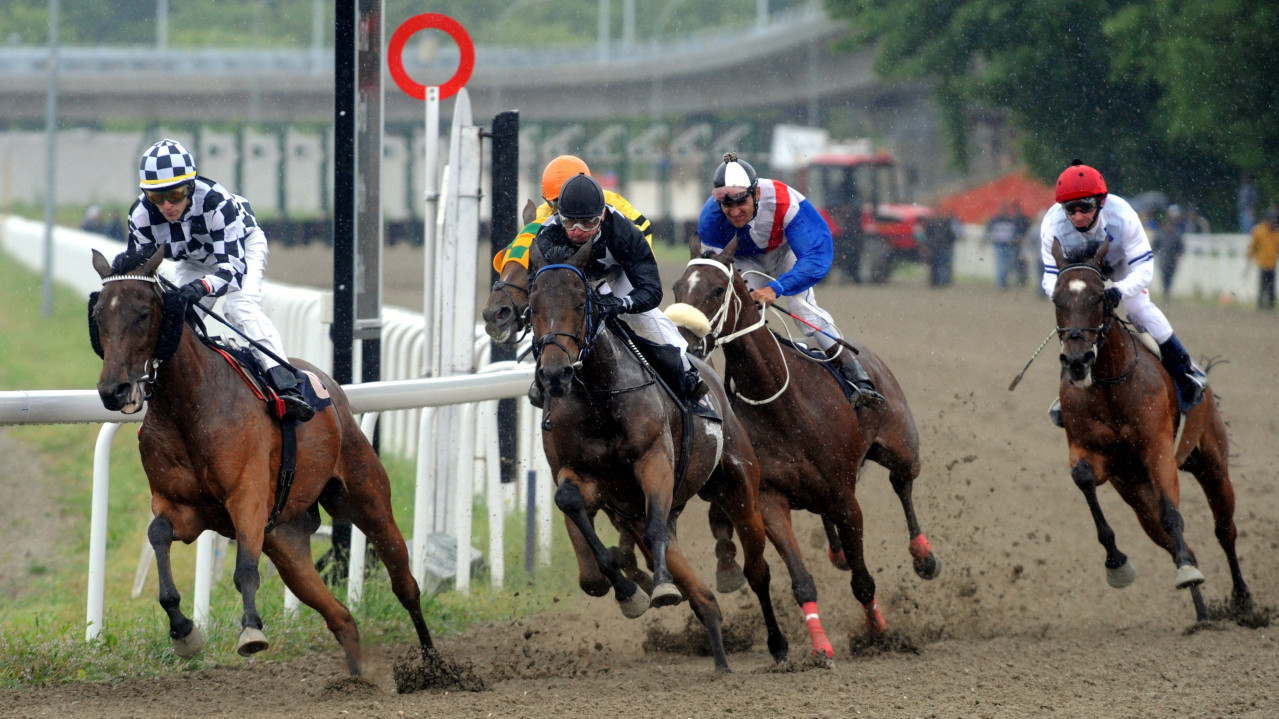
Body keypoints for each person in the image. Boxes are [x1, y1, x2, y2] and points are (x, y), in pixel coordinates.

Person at [125, 138, 315, 422]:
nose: (166, 206)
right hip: (195, 259)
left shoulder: (217, 202)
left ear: (190, 186)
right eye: (156, 197)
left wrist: (199, 287)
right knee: (180, 318)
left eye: (175, 194)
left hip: (241, 249)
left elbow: (231, 270)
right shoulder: (140, 216)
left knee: (239, 308)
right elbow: (136, 271)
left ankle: (287, 385)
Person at [695, 152, 886, 409]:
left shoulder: (785, 201)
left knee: (801, 308)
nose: (735, 212)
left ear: (757, 194)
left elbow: (817, 257)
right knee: (740, 312)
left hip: (787, 251)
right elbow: (713, 271)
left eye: (742, 203)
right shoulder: (710, 219)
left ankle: (856, 378)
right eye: (728, 207)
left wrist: (777, 288)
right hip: (743, 259)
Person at [532, 173, 713, 415]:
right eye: (570, 223)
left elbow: (652, 290)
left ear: (603, 216)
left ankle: (687, 372)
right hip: (569, 281)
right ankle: (541, 375)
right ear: (559, 217)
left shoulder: (623, 231)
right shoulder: (546, 234)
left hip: (616, 276)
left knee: (643, 318)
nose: (577, 232)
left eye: (588, 223)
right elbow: (536, 285)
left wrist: (619, 304)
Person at [1042, 160, 1207, 424]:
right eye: (1069, 209)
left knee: (1137, 310)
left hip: (1122, 270)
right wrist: (1067, 297)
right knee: (1075, 322)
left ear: (1102, 201)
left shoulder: (1123, 215)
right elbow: (1050, 277)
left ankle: (1185, 372)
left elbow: (1144, 268)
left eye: (1085, 206)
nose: (1077, 216)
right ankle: (1068, 395)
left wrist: (1119, 289)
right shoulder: (1052, 225)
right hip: (1080, 279)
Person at [492, 154, 651, 281]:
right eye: (555, 203)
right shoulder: (542, 215)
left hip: (616, 271)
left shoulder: (617, 207)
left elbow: (641, 247)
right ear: (545, 199)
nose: (562, 210)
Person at [1248, 209, 1279, 311]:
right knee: (1262, 286)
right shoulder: (1259, 231)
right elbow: (1253, 247)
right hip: (1262, 263)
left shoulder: (1276, 233)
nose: (1273, 223)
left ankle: (1270, 306)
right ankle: (1260, 306)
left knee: (1271, 287)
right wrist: (1250, 258)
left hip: (1272, 264)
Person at [985, 203, 1021, 290]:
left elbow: (1016, 233)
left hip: (1009, 244)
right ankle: (1002, 283)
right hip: (999, 244)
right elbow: (989, 231)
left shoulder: (1011, 220)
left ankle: (1003, 281)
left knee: (1007, 264)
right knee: (1001, 264)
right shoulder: (995, 220)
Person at [1156, 204, 1186, 300]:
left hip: (1172, 260)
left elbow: (1181, 246)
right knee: (1164, 276)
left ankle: (1167, 292)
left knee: (1170, 276)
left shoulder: (1176, 235)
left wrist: (1180, 253)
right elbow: (1155, 245)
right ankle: (1165, 291)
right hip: (1163, 260)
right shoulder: (1160, 234)